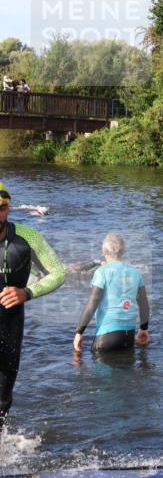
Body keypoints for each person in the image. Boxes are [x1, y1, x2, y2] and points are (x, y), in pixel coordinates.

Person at [0, 182, 67, 430]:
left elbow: (59, 272)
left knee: (3, 400)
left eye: (1, 207)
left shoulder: (28, 237)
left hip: (9, 330)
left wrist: (27, 292)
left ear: (8, 207)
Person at [73, 234, 150, 355]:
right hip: (129, 336)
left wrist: (79, 332)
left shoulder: (102, 272)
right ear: (123, 251)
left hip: (107, 336)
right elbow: (144, 303)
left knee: (91, 368)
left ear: (104, 251)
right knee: (125, 371)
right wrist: (144, 329)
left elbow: (92, 303)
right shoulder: (136, 273)